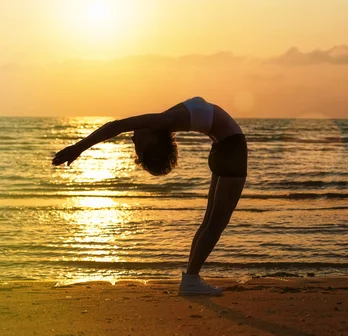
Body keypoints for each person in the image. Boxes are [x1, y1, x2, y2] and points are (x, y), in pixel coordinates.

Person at [52, 97, 247, 295]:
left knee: (209, 223)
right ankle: (191, 280)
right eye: (139, 145)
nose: (133, 139)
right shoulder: (163, 122)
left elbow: (117, 126)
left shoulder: (165, 120)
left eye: (136, 144)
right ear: (154, 140)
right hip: (232, 150)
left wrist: (79, 148)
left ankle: (191, 278)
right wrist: (78, 148)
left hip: (222, 150)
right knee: (214, 224)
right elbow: (116, 126)